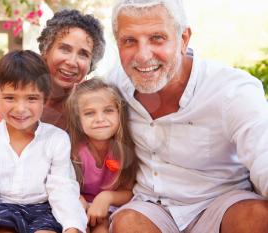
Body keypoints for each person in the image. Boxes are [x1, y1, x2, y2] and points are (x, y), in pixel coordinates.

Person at [0, 9, 105, 233]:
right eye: (64, 48)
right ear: (46, 49)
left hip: (16, 195)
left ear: (91, 64)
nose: (72, 61)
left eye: (84, 54)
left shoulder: (85, 105)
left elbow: (62, 172)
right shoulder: (5, 79)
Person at [108, 0, 268, 233]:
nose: (142, 56)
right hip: (153, 207)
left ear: (183, 39)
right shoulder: (115, 86)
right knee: (128, 223)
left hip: (222, 202)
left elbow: (264, 153)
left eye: (157, 38)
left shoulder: (232, 90)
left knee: (257, 217)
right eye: (129, 41)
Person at [0, 50, 86, 233]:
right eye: (9, 98)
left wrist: (72, 226)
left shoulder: (57, 139)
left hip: (43, 208)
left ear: (45, 99)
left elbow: (62, 187)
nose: (20, 109)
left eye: (31, 98)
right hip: (2, 206)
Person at [66, 78, 139, 233]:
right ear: (78, 120)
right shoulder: (73, 151)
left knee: (102, 229)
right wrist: (77, 201)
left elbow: (129, 191)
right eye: (89, 113)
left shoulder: (124, 151)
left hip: (110, 210)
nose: (100, 119)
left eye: (108, 110)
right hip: (77, 206)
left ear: (119, 113)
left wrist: (106, 197)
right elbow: (63, 186)